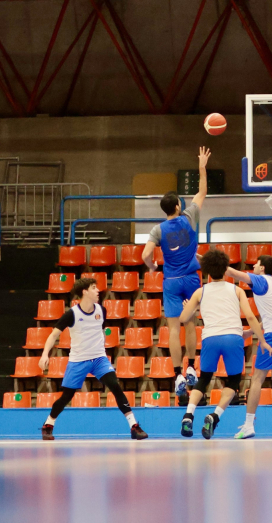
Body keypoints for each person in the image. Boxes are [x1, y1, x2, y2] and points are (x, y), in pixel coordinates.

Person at [38, 278, 148, 441]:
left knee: (115, 386)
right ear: (84, 292)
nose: (98, 291)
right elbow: (53, 335)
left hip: (99, 359)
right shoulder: (72, 314)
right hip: (78, 360)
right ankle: (48, 425)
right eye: (94, 288)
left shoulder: (101, 310)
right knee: (66, 396)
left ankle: (134, 426)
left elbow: (99, 331)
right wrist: (45, 354)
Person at [178, 249, 271, 439]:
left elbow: (183, 318)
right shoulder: (237, 290)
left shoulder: (200, 292)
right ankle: (215, 415)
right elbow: (251, 317)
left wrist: (188, 307)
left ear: (206, 270)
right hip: (233, 338)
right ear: (225, 268)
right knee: (234, 380)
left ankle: (188, 414)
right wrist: (261, 339)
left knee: (203, 379)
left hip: (210, 338)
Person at [143, 146, 210, 400]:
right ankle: (191, 366)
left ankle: (176, 375)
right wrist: (202, 166)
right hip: (192, 278)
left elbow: (145, 255)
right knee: (191, 323)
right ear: (179, 205)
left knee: (173, 328)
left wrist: (152, 266)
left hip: (170, 281)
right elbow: (202, 192)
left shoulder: (158, 230)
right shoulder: (190, 216)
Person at [223, 254, 272, 438]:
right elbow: (271, 315)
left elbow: (232, 273)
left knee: (257, 378)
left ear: (262, 268)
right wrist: (251, 332)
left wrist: (208, 260)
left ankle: (249, 425)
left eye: (256, 264)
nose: (254, 267)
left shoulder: (260, 280)